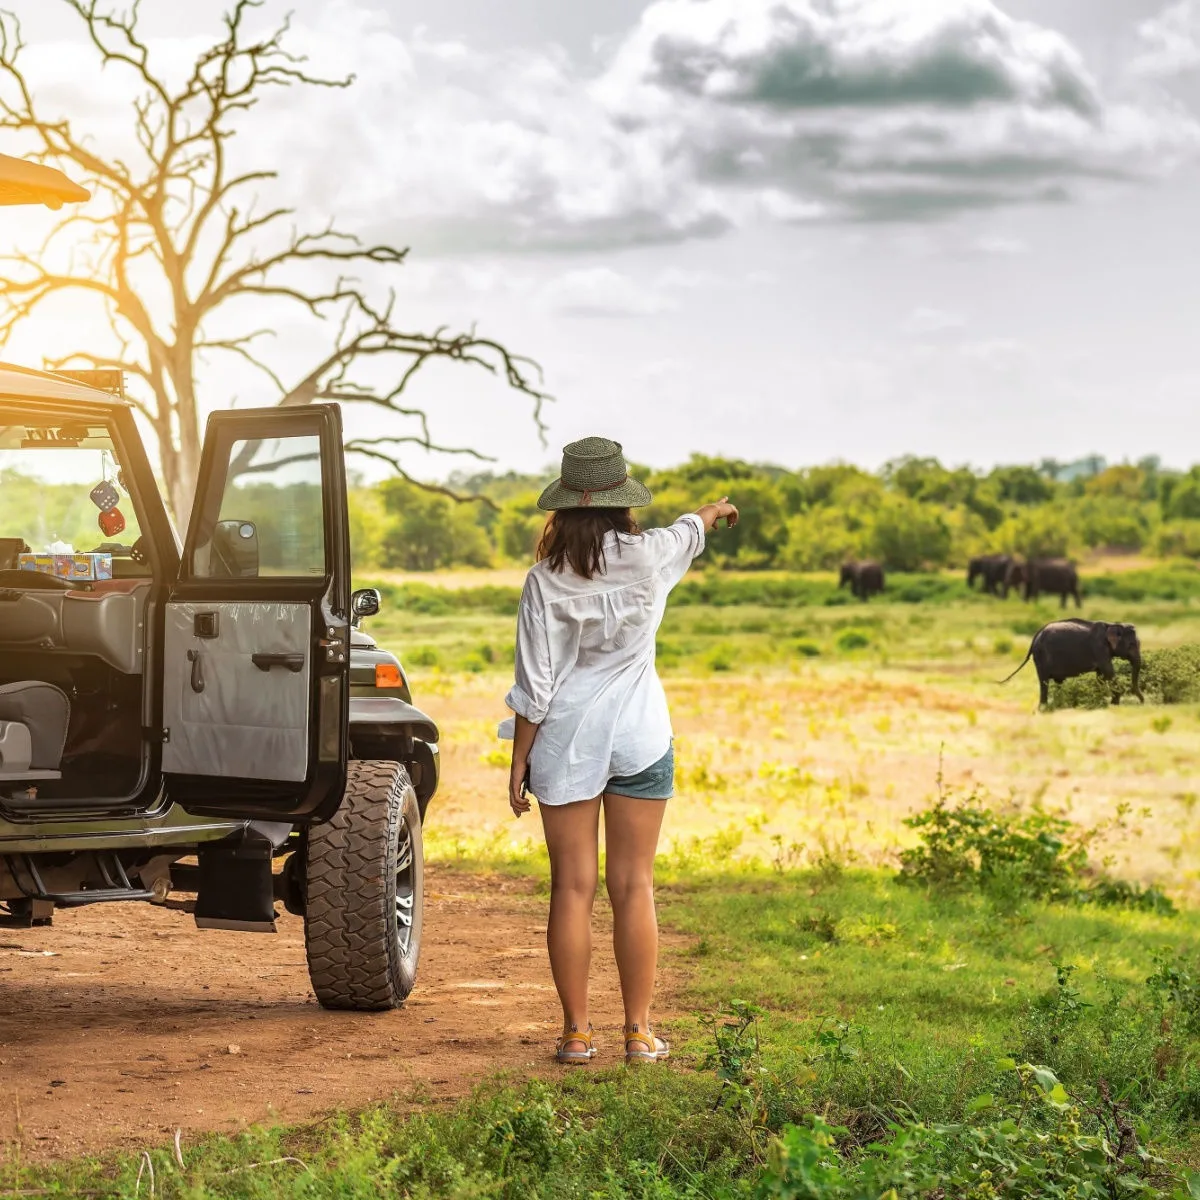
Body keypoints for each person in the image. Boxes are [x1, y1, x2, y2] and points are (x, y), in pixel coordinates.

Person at [500, 436, 739, 1065]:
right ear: (622, 503)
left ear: (563, 510)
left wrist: (519, 760)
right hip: (640, 736)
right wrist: (713, 511)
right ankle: (638, 1032)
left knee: (572, 888)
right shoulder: (652, 555)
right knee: (634, 885)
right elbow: (689, 531)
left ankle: (576, 1034)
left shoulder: (543, 581)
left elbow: (536, 684)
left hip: (566, 741)